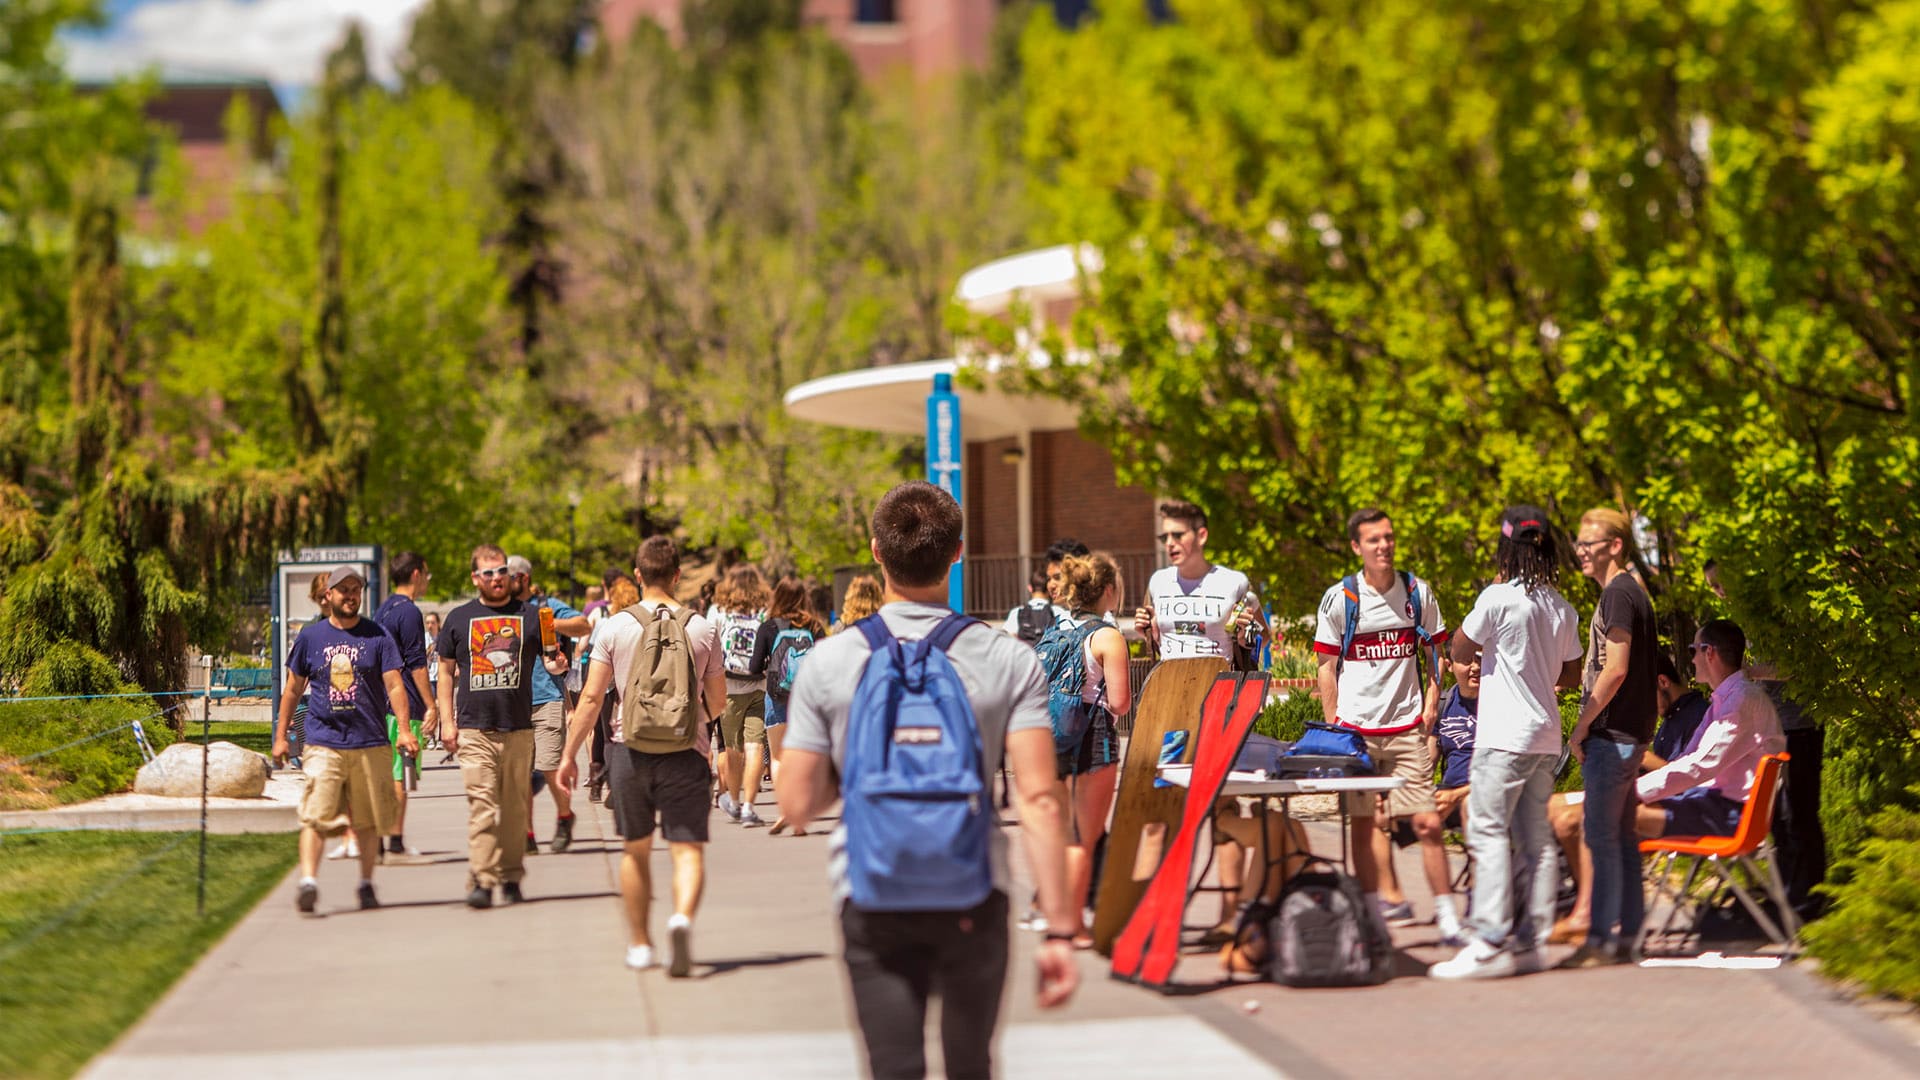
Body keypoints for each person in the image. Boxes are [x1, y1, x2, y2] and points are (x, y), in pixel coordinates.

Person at [776, 481, 1078, 1080]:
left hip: (871, 892)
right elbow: (1040, 799)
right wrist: (1061, 929)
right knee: (971, 1065)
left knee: (894, 1067)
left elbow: (797, 803)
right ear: (958, 553)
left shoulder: (828, 662)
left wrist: (861, 768)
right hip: (974, 890)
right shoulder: (1007, 657)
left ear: (876, 552)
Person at [556, 536, 725, 975]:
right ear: (677, 574)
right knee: (687, 850)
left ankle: (639, 944)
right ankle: (681, 917)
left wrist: (569, 755)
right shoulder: (702, 626)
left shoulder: (614, 627)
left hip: (628, 749)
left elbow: (592, 698)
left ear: (637, 575)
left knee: (635, 851)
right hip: (687, 751)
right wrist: (696, 718)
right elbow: (720, 701)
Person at [1430, 506, 1582, 980]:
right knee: (1535, 840)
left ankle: (1489, 941)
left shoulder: (1497, 598)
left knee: (1488, 832)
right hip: (1544, 737)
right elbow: (1573, 673)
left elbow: (1459, 648)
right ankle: (1530, 944)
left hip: (1503, 736)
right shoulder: (1562, 606)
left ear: (1505, 547)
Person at [1312, 508, 1462, 943]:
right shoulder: (1341, 598)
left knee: (1427, 823)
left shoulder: (1417, 592)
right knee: (1364, 824)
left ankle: (1447, 914)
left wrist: (1433, 700)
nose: (1384, 545)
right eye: (1374, 539)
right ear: (1357, 547)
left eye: (1389, 537)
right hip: (1356, 732)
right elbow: (1326, 666)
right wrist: (1334, 728)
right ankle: (1373, 913)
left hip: (1406, 728)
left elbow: (1436, 650)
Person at [273, 566, 416, 913]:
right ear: (329, 596)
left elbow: (395, 684)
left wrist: (405, 729)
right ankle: (308, 881)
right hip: (324, 742)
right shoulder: (311, 637)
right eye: (343, 590)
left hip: (370, 741)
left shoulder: (377, 635)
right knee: (315, 815)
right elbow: (293, 688)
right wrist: (281, 735)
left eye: (356, 590)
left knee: (367, 821)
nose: (351, 595)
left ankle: (366, 883)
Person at [1558, 507, 1660, 968]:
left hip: (1613, 733)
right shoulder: (1632, 593)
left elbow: (1615, 668)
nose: (1580, 551)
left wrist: (1582, 724)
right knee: (1619, 837)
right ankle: (1628, 938)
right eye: (1578, 544)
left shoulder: (1619, 595)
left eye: (1589, 543)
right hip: (1629, 734)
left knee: (1599, 836)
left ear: (1615, 546)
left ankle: (1601, 940)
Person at [1548, 651, 1708, 942]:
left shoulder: (1696, 715)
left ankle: (1591, 913)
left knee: (1573, 819)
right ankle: (1588, 905)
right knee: (1553, 806)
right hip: (1635, 795)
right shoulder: (1672, 715)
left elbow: (1687, 776)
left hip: (1657, 804)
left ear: (1661, 682)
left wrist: (1636, 753)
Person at [436, 544, 561, 908]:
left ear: (511, 574)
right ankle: (482, 879)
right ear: (475, 578)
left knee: (515, 811)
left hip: (519, 728)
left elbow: (553, 660)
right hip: (475, 730)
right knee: (482, 807)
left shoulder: (536, 616)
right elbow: (444, 672)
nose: (496, 578)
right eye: (488, 573)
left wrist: (558, 664)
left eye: (501, 570)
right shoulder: (459, 618)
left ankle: (510, 877)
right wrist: (447, 721)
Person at [1045, 552, 1133, 947]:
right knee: (1086, 836)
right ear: (1108, 591)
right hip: (1092, 735)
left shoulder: (1055, 629)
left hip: (1051, 736)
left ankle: (1055, 915)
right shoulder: (1108, 636)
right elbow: (1119, 703)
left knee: (1062, 835)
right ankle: (1073, 925)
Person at [1633, 619, 1784, 838]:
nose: (1692, 659)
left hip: (1733, 813)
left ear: (1709, 652)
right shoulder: (1726, 701)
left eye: (1693, 650)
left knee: (1618, 816)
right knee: (1612, 813)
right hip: (1720, 804)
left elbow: (1699, 766)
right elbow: (1688, 759)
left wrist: (1632, 792)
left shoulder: (1739, 702)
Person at [506, 555, 590, 854]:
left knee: (550, 767)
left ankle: (565, 816)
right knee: (521, 775)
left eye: (509, 576)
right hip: (515, 702)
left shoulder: (546, 606)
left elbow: (583, 625)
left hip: (547, 698)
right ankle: (526, 834)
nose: (503, 581)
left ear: (524, 579)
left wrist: (549, 624)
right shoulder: (505, 611)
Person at [746, 574, 828, 837]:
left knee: (779, 755)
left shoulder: (769, 627)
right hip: (808, 697)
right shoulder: (814, 625)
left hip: (778, 695)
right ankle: (801, 818)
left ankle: (786, 810)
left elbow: (754, 667)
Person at [1134, 501, 1260, 660]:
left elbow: (1262, 637)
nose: (1170, 543)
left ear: (1201, 536)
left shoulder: (1234, 582)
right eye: (1164, 537)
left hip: (1219, 682)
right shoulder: (1158, 582)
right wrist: (1150, 633)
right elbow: (1161, 645)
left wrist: (1245, 636)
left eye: (1178, 535)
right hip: (1169, 682)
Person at [372, 551, 437, 858]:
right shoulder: (409, 612)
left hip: (379, 701)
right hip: (404, 704)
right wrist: (432, 705)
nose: (426, 581)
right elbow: (417, 664)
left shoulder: (382, 609)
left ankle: (381, 839)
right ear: (415, 574)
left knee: (387, 772)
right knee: (400, 772)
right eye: (426, 574)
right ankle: (393, 841)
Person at [713, 564, 772, 828]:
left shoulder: (719, 610)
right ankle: (750, 806)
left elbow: (710, 646)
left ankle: (734, 802)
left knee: (733, 747)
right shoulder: (765, 610)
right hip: (759, 684)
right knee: (755, 745)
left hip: (729, 687)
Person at [584, 576, 640, 805]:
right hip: (629, 685)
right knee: (623, 735)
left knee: (603, 735)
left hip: (605, 683)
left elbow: (588, 647)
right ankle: (617, 784)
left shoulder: (606, 620)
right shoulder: (641, 622)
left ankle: (599, 784)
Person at [1432, 648, 1480, 830]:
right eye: (1467, 660)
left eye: (1480, 659)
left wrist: (1457, 795)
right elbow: (1428, 762)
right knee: (1390, 815)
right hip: (1448, 792)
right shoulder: (1443, 703)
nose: (1475, 667)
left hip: (1486, 793)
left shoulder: (1501, 705)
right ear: (1449, 666)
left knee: (1469, 808)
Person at [1002, 567, 1056, 644]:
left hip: (1025, 654)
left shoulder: (1016, 612)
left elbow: (1009, 639)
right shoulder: (1057, 612)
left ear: (1030, 588)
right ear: (1048, 588)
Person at [424, 611, 445, 752]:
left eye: (432, 622)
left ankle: (441, 738)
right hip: (429, 676)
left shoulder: (443, 638)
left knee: (442, 707)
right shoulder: (424, 638)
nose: (430, 625)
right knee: (431, 708)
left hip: (441, 676)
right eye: (428, 623)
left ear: (438, 624)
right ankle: (430, 737)